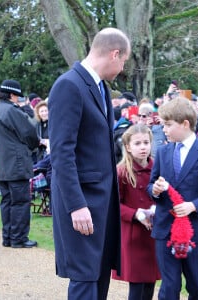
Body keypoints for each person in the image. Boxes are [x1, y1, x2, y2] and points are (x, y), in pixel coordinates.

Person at [48, 27, 131, 300]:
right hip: (82, 204)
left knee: (99, 275)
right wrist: (76, 205)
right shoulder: (68, 85)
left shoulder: (100, 87)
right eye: (123, 61)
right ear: (114, 54)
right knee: (85, 279)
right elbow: (62, 153)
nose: (122, 68)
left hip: (102, 204)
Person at [147, 96, 198, 300]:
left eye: (168, 125)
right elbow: (151, 184)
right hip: (165, 229)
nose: (164, 129)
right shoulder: (162, 152)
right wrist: (155, 189)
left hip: (194, 231)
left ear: (185, 124)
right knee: (169, 288)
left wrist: (193, 205)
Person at [112, 124, 161, 300]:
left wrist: (158, 207)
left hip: (154, 232)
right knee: (137, 283)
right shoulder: (122, 171)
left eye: (146, 142)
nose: (143, 147)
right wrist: (136, 214)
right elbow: (114, 205)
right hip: (133, 234)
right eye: (138, 143)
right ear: (128, 147)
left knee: (150, 281)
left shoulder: (158, 167)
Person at [0, 79, 39, 248]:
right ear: (12, 95)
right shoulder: (12, 111)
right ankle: (18, 238)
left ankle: (8, 237)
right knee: (20, 201)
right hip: (16, 164)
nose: (18, 99)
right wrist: (34, 145)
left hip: (2, 165)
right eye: (17, 96)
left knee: (7, 201)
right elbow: (30, 133)